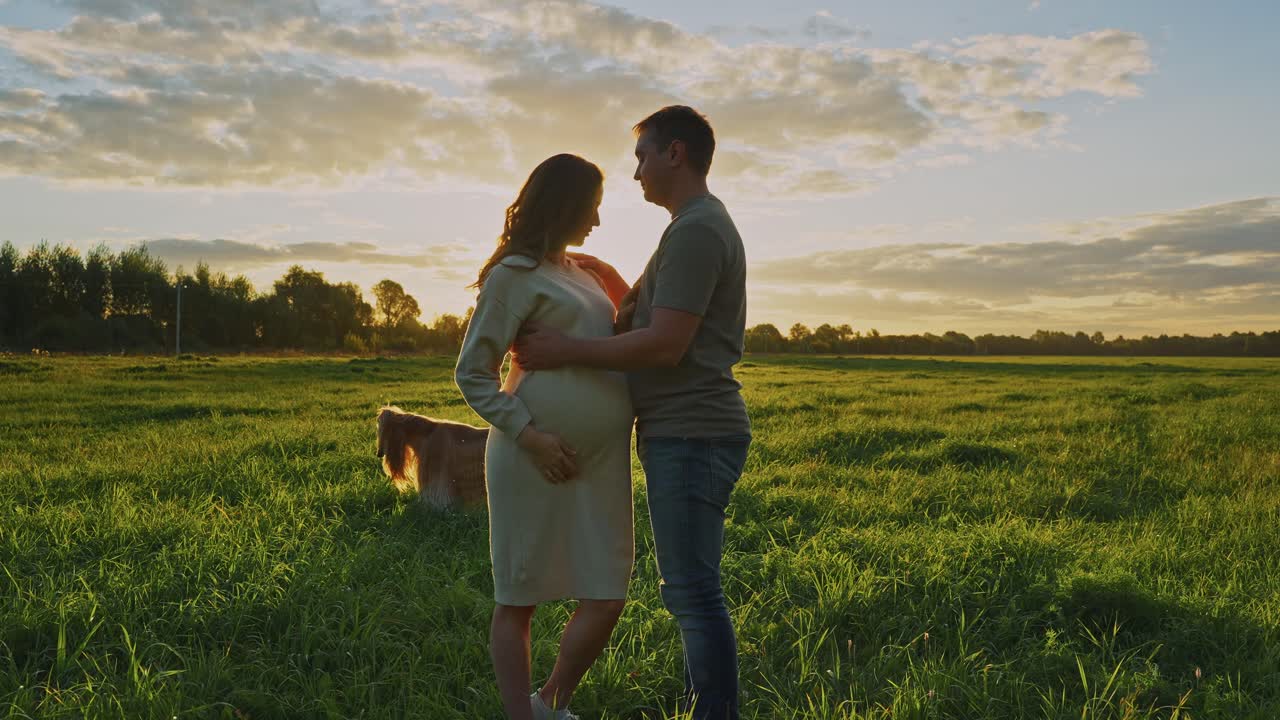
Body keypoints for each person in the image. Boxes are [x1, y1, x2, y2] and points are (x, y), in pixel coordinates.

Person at [515, 106, 751, 720]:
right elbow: (659, 319)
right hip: (683, 432)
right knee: (692, 591)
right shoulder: (687, 227)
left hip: (693, 433)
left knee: (694, 593)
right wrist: (620, 283)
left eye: (643, 155)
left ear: (676, 153)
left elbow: (666, 344)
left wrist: (565, 349)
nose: (637, 171)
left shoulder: (697, 229)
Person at [454, 153, 634, 720]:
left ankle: (549, 703)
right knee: (520, 597)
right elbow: (472, 373)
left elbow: (631, 331)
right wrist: (529, 436)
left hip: (601, 463)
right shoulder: (515, 274)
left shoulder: (581, 273)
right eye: (592, 209)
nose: (598, 222)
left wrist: (605, 271)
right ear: (563, 205)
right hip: (531, 459)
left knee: (607, 593)